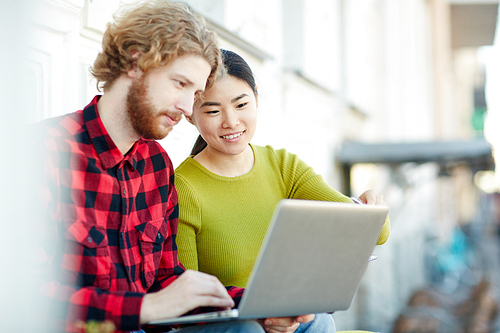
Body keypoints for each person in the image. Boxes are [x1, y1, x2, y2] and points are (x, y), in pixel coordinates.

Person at [33, 2, 266, 333]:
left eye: (196, 93)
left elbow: (166, 280)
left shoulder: (156, 164)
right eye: (180, 84)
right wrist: (147, 307)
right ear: (135, 61)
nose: (188, 108)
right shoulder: (42, 152)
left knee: (273, 325)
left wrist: (257, 305)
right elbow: (24, 296)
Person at [174, 49, 391, 333]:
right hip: (223, 323)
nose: (230, 121)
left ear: (256, 101)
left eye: (241, 105)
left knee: (322, 321)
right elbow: (186, 299)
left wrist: (370, 207)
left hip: (283, 313)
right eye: (213, 111)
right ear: (190, 115)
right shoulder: (182, 187)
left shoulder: (283, 166)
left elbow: (378, 232)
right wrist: (263, 318)